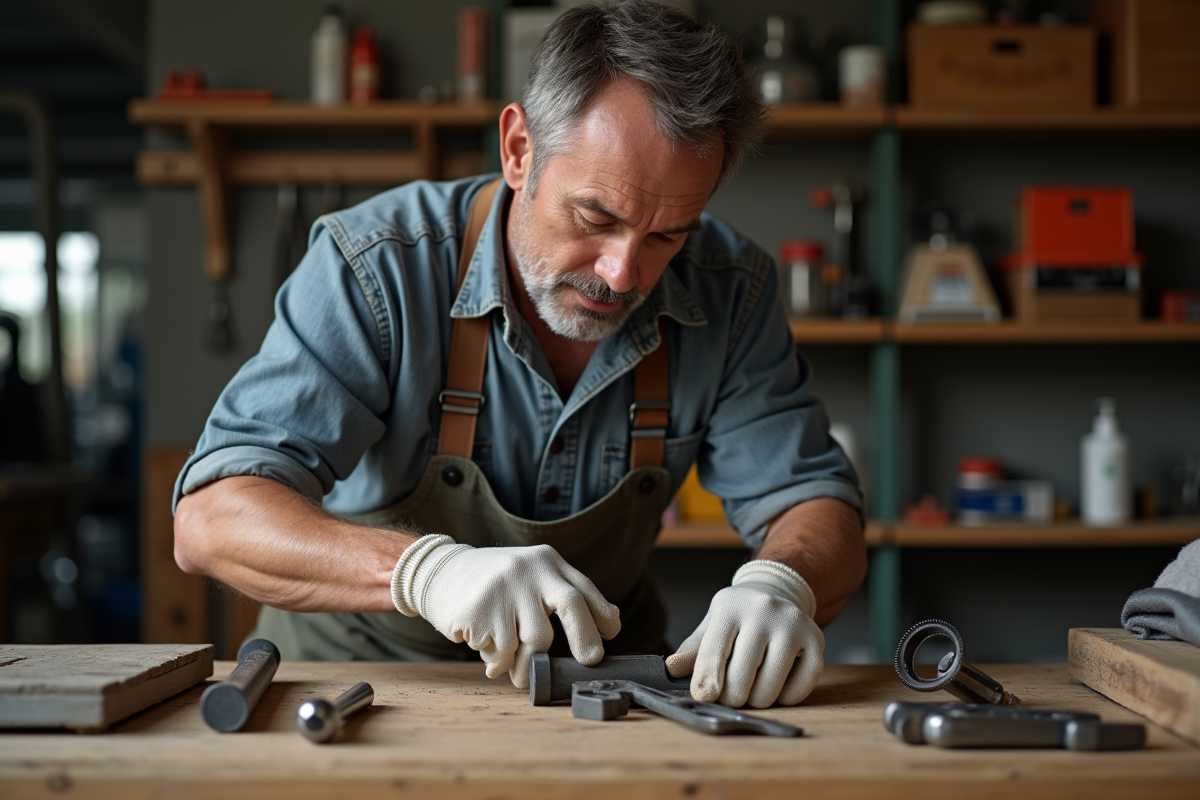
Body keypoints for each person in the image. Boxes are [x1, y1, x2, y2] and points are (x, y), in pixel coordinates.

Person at [172, 0, 866, 710]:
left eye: (667, 236)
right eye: (596, 217)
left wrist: (783, 582)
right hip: (360, 687)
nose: (622, 274)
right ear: (518, 150)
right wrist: (424, 572)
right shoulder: (377, 269)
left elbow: (815, 503)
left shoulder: (730, 289)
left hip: (600, 690)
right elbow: (212, 520)